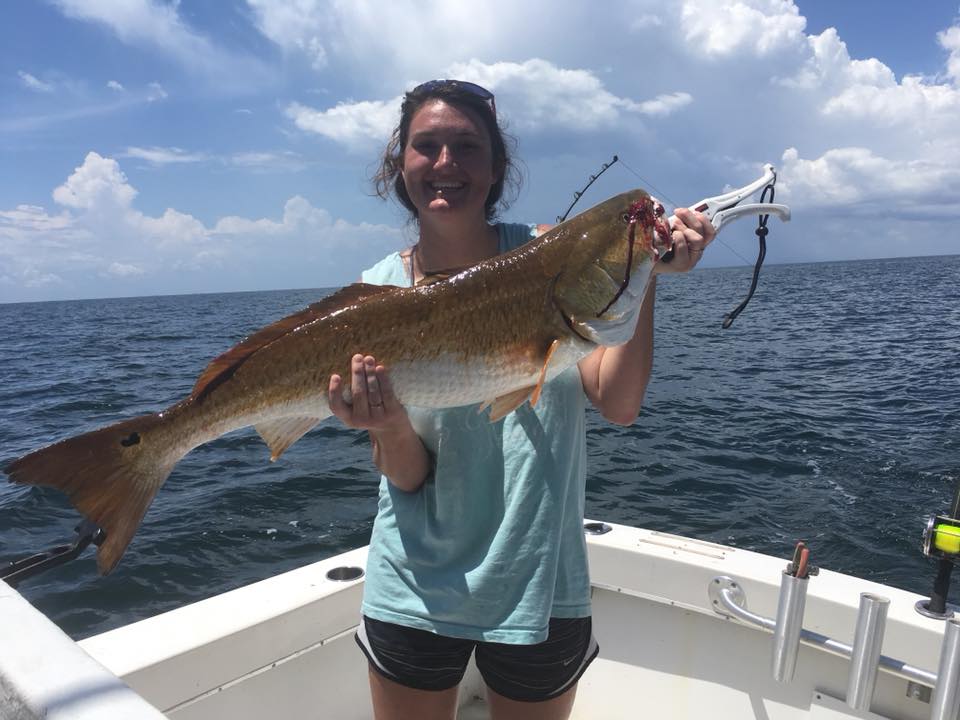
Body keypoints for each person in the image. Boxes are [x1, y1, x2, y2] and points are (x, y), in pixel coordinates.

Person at [327, 79, 716, 720]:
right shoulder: (377, 293)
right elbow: (407, 473)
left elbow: (617, 403)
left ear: (497, 166)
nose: (446, 163)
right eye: (427, 146)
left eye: (467, 146)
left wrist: (644, 273)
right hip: (413, 584)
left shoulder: (548, 254)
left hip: (542, 580)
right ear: (401, 165)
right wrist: (389, 423)